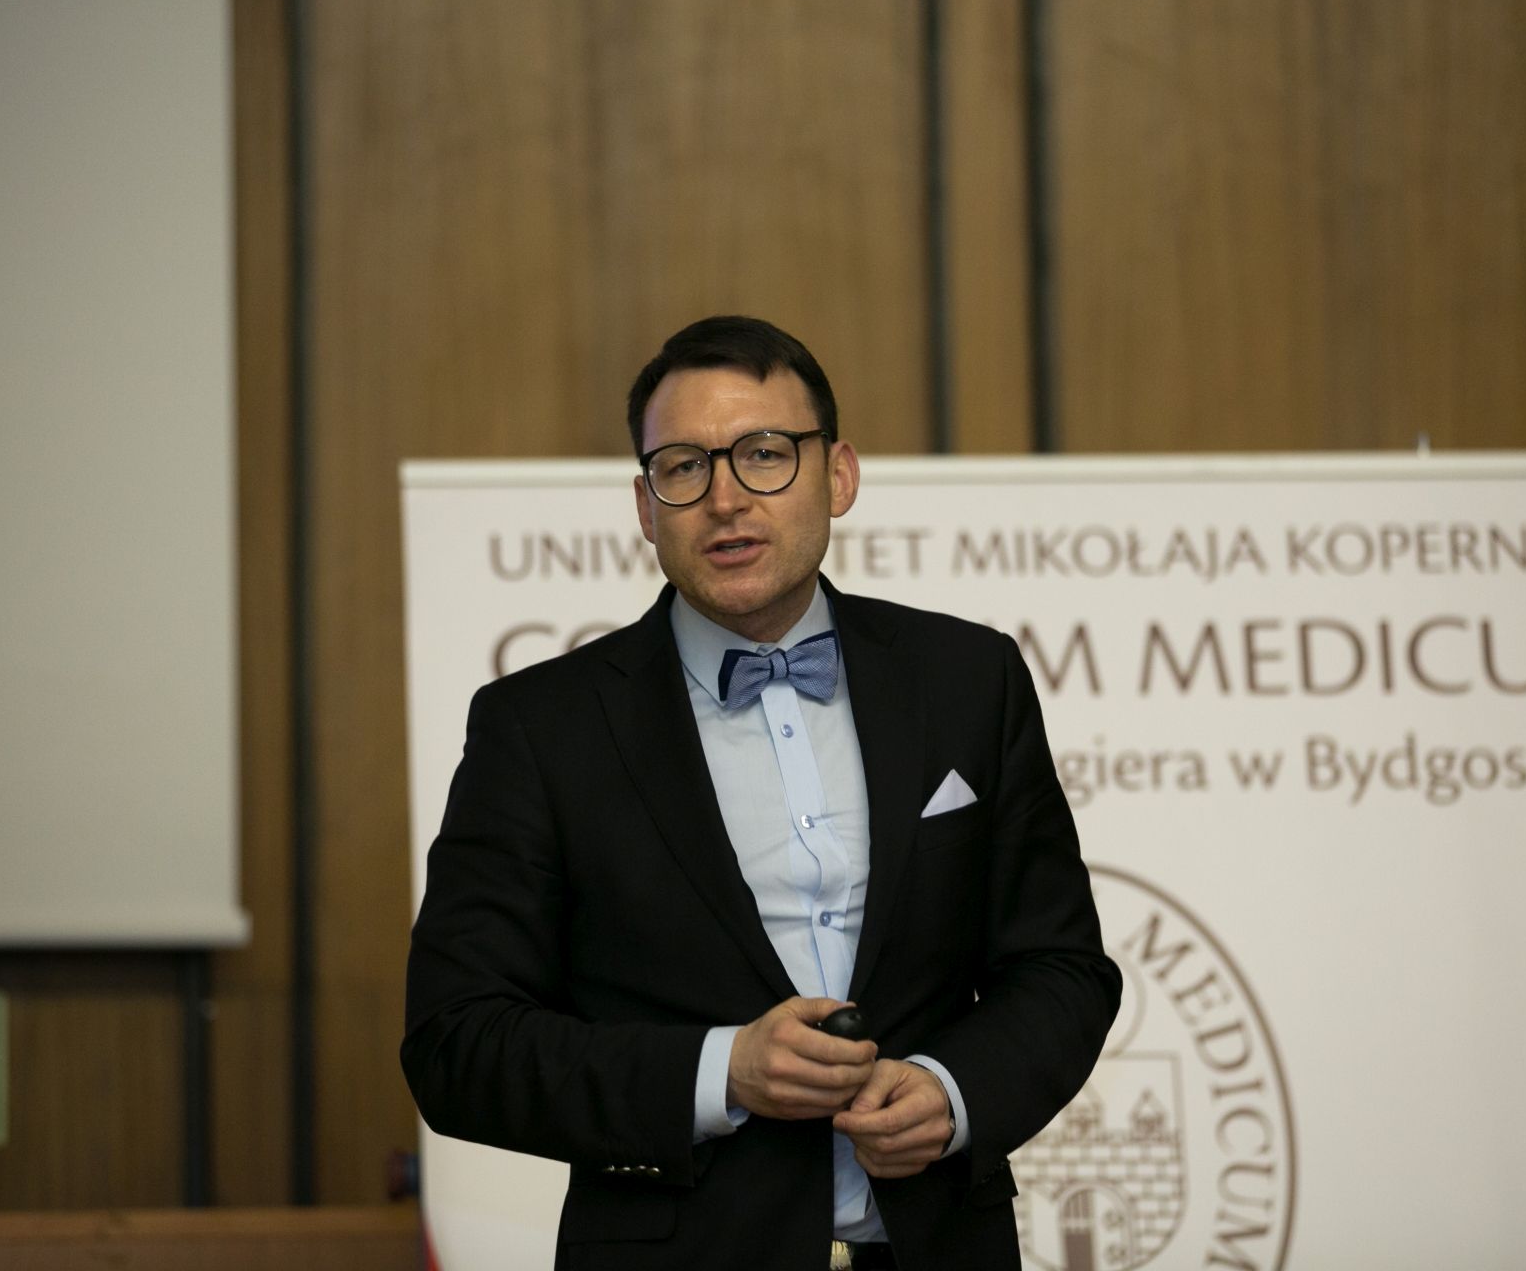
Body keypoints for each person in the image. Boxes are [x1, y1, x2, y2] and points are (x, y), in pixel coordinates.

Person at [402, 315, 1119, 1270]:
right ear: (645, 505)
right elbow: (457, 1044)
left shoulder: (967, 680)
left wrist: (953, 1093)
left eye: (765, 454)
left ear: (839, 475)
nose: (726, 498)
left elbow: (1061, 969)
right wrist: (720, 1071)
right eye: (684, 467)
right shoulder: (540, 728)